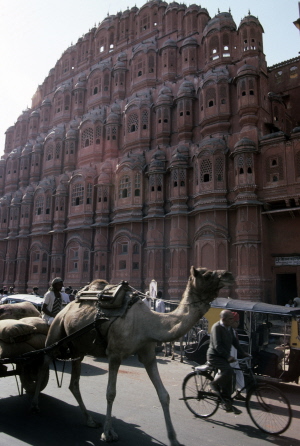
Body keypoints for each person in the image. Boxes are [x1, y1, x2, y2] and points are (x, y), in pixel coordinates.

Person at [207, 309, 249, 413]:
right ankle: (213, 384)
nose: (232, 321)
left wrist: (243, 353)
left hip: (224, 356)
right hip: (215, 356)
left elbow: (235, 342)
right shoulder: (217, 327)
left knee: (229, 379)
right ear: (224, 319)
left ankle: (226, 401)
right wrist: (228, 357)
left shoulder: (229, 328)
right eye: (230, 319)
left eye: (233, 319)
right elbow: (217, 346)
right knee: (229, 371)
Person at [230, 312, 246, 401]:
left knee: (239, 374)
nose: (238, 323)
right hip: (227, 359)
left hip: (234, 358)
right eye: (236, 321)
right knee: (224, 376)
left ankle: (238, 393)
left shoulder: (234, 331)